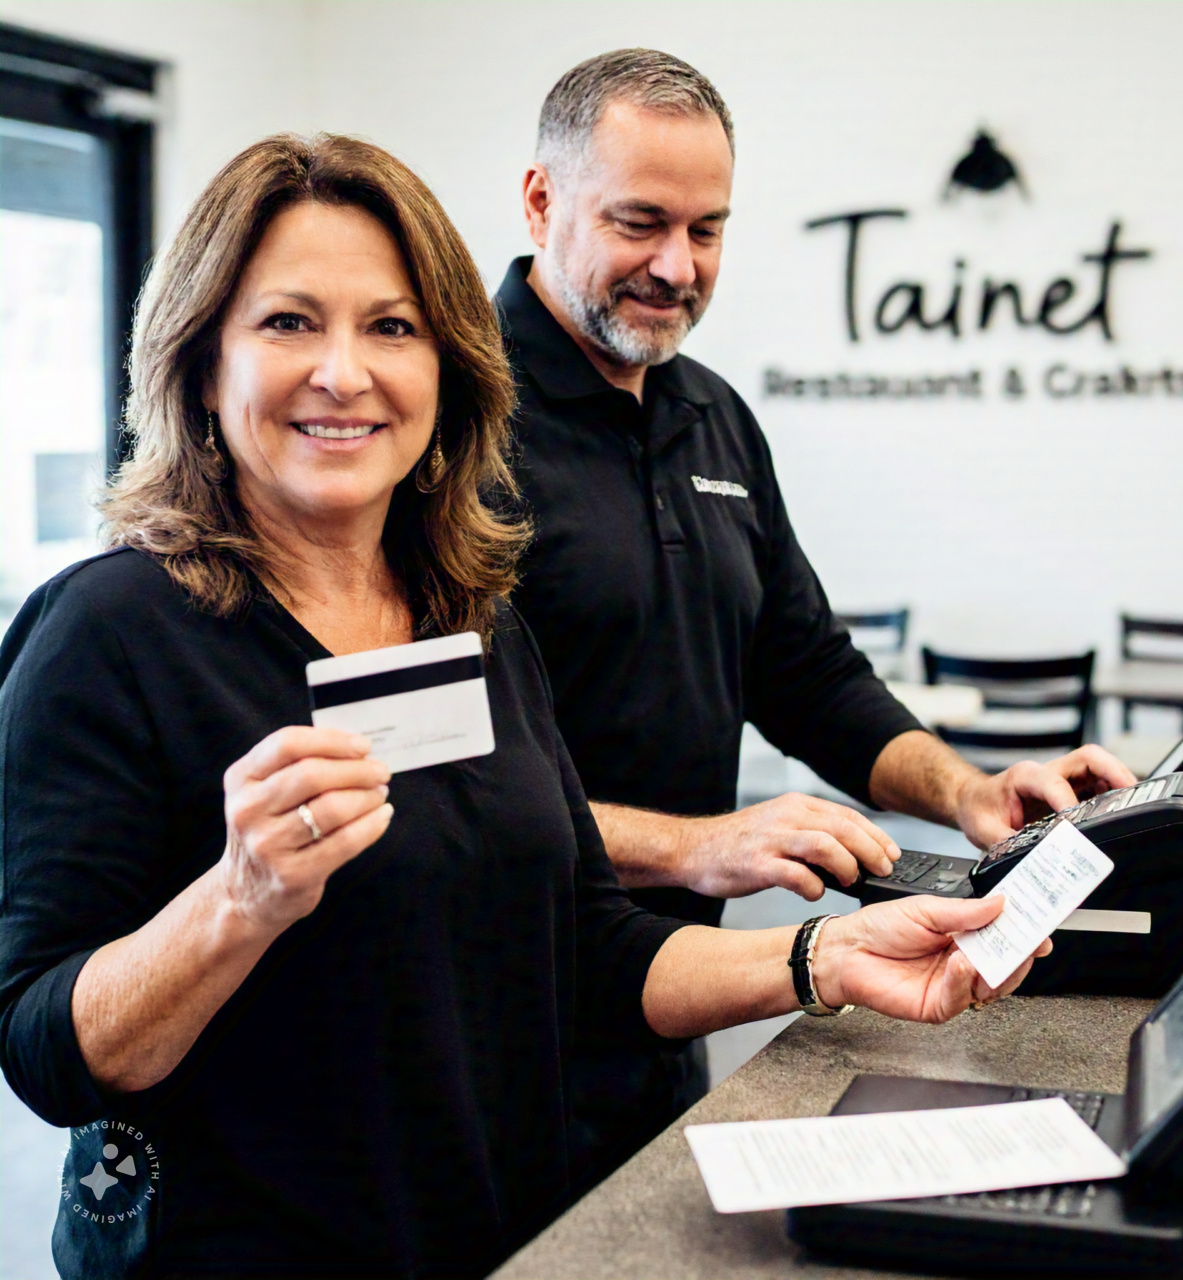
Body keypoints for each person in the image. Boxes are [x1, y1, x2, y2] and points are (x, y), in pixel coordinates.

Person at [0, 133, 1047, 1280]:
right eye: (289, 322)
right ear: (201, 361)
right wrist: (238, 902)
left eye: (390, 327)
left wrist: (825, 956)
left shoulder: (475, 620)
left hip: (503, 1235)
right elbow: (48, 1047)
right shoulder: (107, 631)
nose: (344, 373)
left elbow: (589, 947)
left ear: (444, 367)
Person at [497, 49, 1138, 1186]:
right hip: (489, 1004)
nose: (675, 266)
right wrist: (698, 845)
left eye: (707, 231)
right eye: (639, 222)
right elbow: (438, 790)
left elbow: (804, 670)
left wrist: (969, 792)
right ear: (541, 198)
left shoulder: (712, 417)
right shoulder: (453, 426)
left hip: (665, 988)